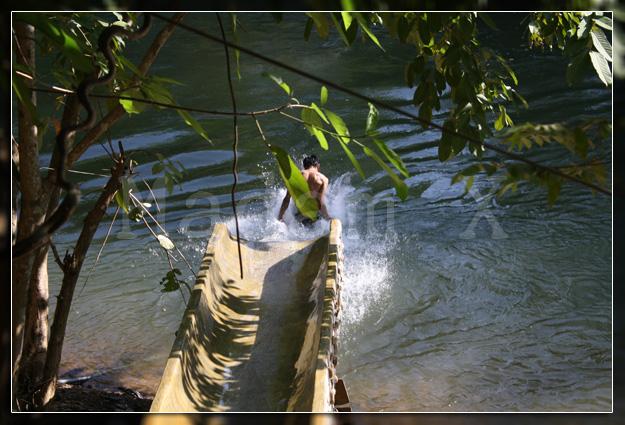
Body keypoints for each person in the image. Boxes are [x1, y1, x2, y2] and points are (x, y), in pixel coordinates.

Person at [278, 154, 331, 225]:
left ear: (305, 166)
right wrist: (328, 218)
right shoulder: (323, 179)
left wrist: (280, 217)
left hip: (299, 216)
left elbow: (287, 199)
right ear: (318, 165)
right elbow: (320, 202)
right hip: (314, 217)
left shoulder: (296, 176)